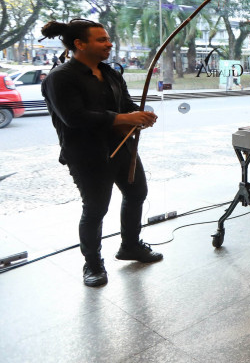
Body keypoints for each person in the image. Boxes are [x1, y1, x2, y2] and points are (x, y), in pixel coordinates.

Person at [40, 19, 162, 287]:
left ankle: (130, 246)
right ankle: (93, 263)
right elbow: (75, 117)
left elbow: (125, 104)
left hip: (122, 147)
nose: (109, 44)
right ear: (80, 44)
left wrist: (141, 116)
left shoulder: (110, 73)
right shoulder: (60, 77)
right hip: (87, 154)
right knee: (95, 208)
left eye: (107, 39)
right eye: (101, 40)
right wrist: (124, 118)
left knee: (136, 194)